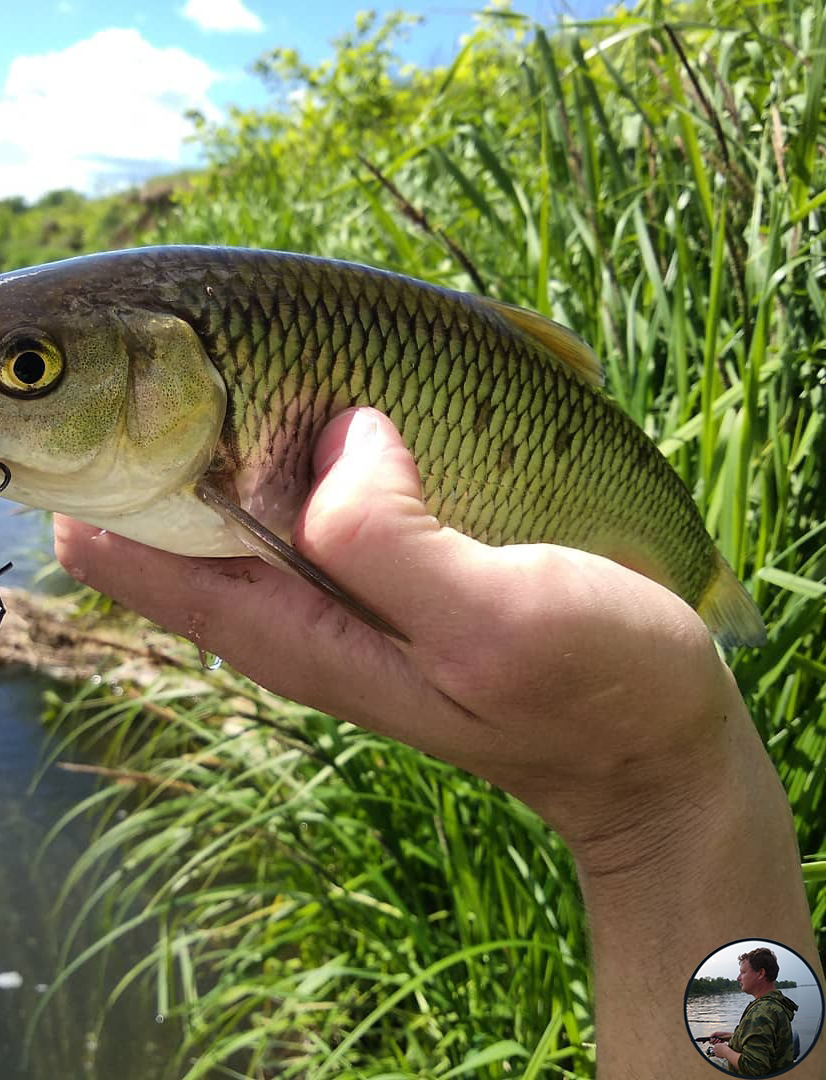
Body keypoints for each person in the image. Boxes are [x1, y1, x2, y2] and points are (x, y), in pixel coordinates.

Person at [54, 407, 825, 1079]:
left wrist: (658, 786)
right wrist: (670, 784)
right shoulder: (768, 1009)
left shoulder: (769, 1008)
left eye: (29, 369)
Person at [708, 948, 799, 1075]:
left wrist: (724, 1051)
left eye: (743, 972)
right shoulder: (775, 1003)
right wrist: (731, 1036)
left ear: (761, 973)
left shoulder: (762, 1012)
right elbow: (764, 1036)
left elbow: (754, 1067)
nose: (738, 978)